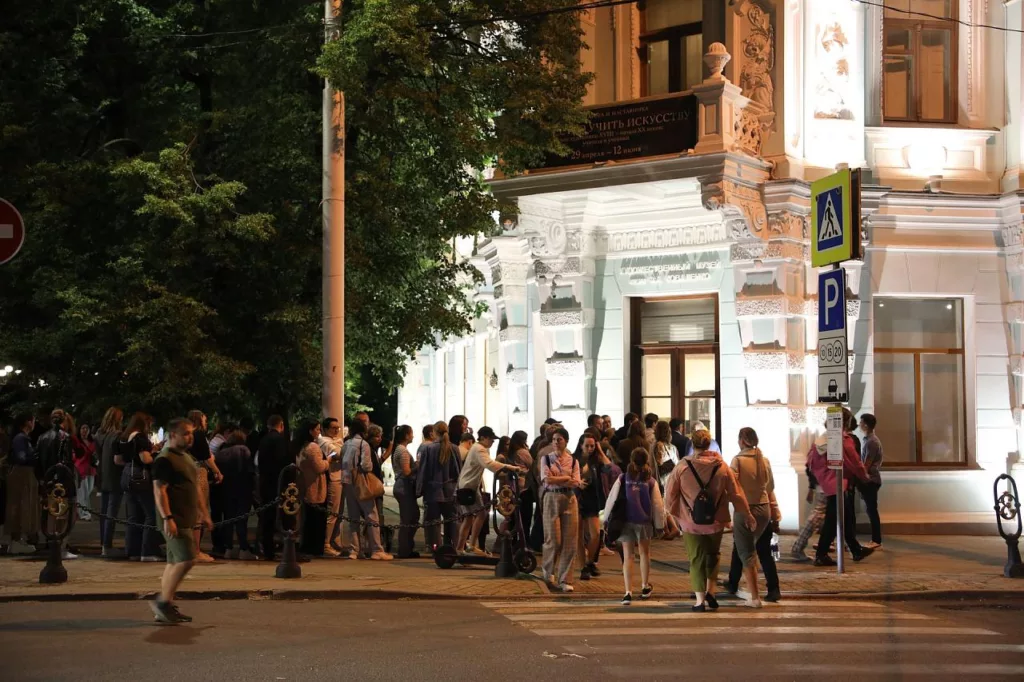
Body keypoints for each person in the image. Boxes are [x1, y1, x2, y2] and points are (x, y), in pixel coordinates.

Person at [665, 428, 754, 612]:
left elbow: (670, 494)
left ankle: (700, 601)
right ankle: (711, 592)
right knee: (713, 555)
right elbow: (736, 493)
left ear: (692, 444)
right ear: (709, 444)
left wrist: (674, 515)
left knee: (696, 558)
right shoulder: (722, 467)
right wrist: (746, 513)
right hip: (716, 520)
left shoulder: (682, 467)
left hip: (690, 521)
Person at [150, 418, 206, 624]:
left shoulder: (185, 457)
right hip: (175, 519)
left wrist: (204, 512)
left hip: (185, 518)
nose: (190, 437)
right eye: (186, 433)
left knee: (174, 562)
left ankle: (166, 605)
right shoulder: (164, 459)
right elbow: (159, 491)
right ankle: (163, 602)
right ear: (173, 435)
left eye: (191, 433)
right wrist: (168, 518)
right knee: (188, 559)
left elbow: (194, 487)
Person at [807, 410, 874, 566]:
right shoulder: (843, 440)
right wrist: (864, 477)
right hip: (838, 483)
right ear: (846, 422)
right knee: (834, 521)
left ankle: (855, 549)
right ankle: (822, 554)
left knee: (845, 518)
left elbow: (810, 462)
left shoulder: (822, 439)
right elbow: (855, 462)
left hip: (827, 483)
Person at [725, 428, 782, 606]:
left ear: (742, 441)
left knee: (744, 549)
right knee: (762, 549)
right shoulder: (764, 460)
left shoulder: (737, 461)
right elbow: (770, 487)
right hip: (764, 508)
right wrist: (775, 511)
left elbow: (731, 486)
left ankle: (751, 594)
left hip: (746, 509)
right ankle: (773, 588)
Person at [603, 447, 665, 604]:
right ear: (646, 461)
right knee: (644, 553)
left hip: (626, 520)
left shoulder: (624, 478)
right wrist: (660, 525)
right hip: (644, 521)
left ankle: (628, 592)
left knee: (628, 556)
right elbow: (658, 505)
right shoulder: (650, 481)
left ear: (631, 460)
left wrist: (606, 519)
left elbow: (612, 498)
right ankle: (645, 586)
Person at [456, 426, 523, 555]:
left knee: (472, 517)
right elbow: (490, 464)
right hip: (468, 486)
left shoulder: (477, 448)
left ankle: (465, 547)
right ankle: (467, 546)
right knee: (476, 515)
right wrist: (511, 468)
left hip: (469, 486)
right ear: (483, 438)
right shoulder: (479, 449)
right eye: (491, 439)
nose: (493, 441)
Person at [340, 418, 392, 560]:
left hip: (347, 481)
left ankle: (354, 550)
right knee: (371, 515)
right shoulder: (363, 444)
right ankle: (376, 549)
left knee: (353, 517)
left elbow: (341, 461)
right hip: (361, 482)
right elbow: (367, 466)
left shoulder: (346, 443)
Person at [540, 427, 581, 593]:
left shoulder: (573, 461)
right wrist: (565, 478)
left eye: (559, 439)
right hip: (551, 497)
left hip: (569, 498)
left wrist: (560, 479)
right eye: (554, 439)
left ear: (566, 441)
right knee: (553, 539)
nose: (556, 442)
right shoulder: (546, 459)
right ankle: (548, 573)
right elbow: (546, 479)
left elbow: (576, 482)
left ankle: (565, 579)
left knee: (570, 541)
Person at [416, 418, 462, 552]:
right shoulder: (454, 448)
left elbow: (423, 471)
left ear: (435, 432)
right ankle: (451, 547)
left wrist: (419, 490)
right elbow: (458, 471)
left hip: (432, 491)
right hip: (450, 491)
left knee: (433, 522)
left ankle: (435, 548)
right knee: (452, 521)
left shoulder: (428, 448)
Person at [211, 428, 257, 560]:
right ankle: (243, 549)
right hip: (242, 488)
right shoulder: (244, 450)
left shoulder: (221, 453)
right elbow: (249, 470)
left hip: (226, 490)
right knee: (242, 519)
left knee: (228, 519)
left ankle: (228, 549)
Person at [120, 412, 160, 562]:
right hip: (139, 477)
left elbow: (119, 459)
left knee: (134, 516)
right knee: (151, 515)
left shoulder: (125, 437)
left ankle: (133, 551)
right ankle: (148, 552)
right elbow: (145, 459)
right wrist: (155, 454)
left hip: (127, 476)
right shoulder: (140, 437)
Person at [187, 411, 224, 564]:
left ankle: (190, 549)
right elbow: (207, 457)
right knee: (199, 511)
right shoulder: (199, 434)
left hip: (187, 472)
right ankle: (195, 551)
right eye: (204, 419)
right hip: (198, 473)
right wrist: (217, 471)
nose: (206, 422)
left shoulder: (185, 435)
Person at [575, 430, 611, 581]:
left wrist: (600, 450)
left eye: (592, 446)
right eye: (587, 446)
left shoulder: (596, 460)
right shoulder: (574, 460)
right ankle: (583, 566)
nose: (590, 449)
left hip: (592, 500)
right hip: (577, 499)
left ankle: (590, 562)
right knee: (578, 535)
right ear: (581, 445)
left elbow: (609, 467)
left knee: (595, 534)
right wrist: (578, 483)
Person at [4, 415, 39, 554]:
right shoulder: (21, 438)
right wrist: (35, 457)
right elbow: (21, 458)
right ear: (28, 423)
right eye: (33, 421)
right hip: (22, 475)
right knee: (20, 506)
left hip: (23, 474)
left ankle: (17, 540)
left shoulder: (22, 438)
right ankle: (16, 540)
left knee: (21, 506)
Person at [257, 415, 289, 561]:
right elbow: (281, 461)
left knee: (266, 516)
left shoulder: (264, 439)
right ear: (281, 425)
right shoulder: (279, 440)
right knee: (274, 516)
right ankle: (272, 549)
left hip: (265, 481)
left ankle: (266, 547)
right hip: (275, 481)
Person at [95, 407, 125, 557]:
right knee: (111, 512)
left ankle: (103, 544)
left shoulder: (99, 435)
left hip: (103, 475)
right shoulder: (117, 436)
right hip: (115, 476)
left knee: (104, 512)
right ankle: (107, 545)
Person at [295, 420, 328, 556]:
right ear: (310, 431)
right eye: (317, 429)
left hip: (305, 484)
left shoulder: (300, 446)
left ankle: (307, 546)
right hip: (315, 486)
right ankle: (316, 548)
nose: (319, 432)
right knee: (317, 520)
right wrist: (329, 461)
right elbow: (319, 467)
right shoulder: (313, 447)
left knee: (308, 518)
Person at [391, 425, 420, 558]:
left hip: (402, 486)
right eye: (411, 433)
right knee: (408, 519)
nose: (413, 436)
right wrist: (417, 465)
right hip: (404, 487)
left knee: (411, 517)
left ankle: (407, 547)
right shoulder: (402, 450)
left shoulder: (398, 449)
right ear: (407, 435)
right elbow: (407, 471)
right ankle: (404, 549)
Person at [320, 417, 345, 557]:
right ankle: (326, 543)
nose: (336, 430)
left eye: (337, 428)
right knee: (332, 512)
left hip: (341, 478)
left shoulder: (337, 441)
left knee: (339, 513)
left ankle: (334, 540)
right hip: (333, 479)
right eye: (333, 428)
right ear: (325, 429)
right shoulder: (324, 441)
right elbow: (339, 454)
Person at [859, 413, 883, 550]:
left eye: (861, 422)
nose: (859, 424)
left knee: (872, 510)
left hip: (871, 480)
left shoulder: (872, 442)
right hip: (870, 479)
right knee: (870, 509)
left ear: (866, 425)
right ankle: (875, 539)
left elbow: (867, 464)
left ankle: (876, 539)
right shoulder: (868, 440)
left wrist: (861, 477)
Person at [71, 423, 97, 521]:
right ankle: (84, 513)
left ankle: (79, 511)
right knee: (83, 492)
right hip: (80, 469)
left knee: (89, 490)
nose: (85, 430)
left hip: (91, 469)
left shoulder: (92, 441)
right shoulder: (76, 441)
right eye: (83, 428)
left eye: (87, 428)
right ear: (79, 429)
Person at [652, 420, 678, 491]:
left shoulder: (654, 445)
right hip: (667, 479)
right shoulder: (670, 447)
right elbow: (676, 463)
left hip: (659, 479)